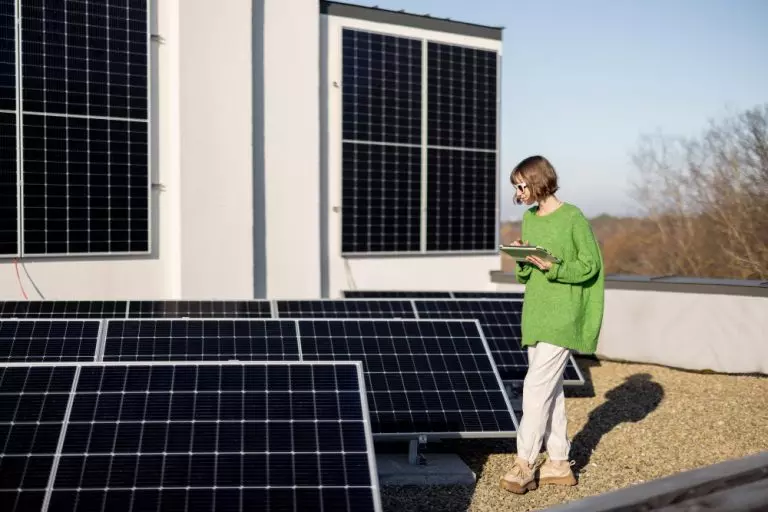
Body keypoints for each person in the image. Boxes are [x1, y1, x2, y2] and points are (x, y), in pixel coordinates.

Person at [499, 155, 605, 494]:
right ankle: (559, 463)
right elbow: (526, 275)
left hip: (563, 314)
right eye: (515, 186)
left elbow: (589, 266)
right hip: (537, 313)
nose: (517, 191)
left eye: (521, 184)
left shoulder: (573, 217)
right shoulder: (530, 218)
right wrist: (522, 257)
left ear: (538, 180)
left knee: (534, 388)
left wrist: (552, 267)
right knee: (550, 390)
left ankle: (525, 463)